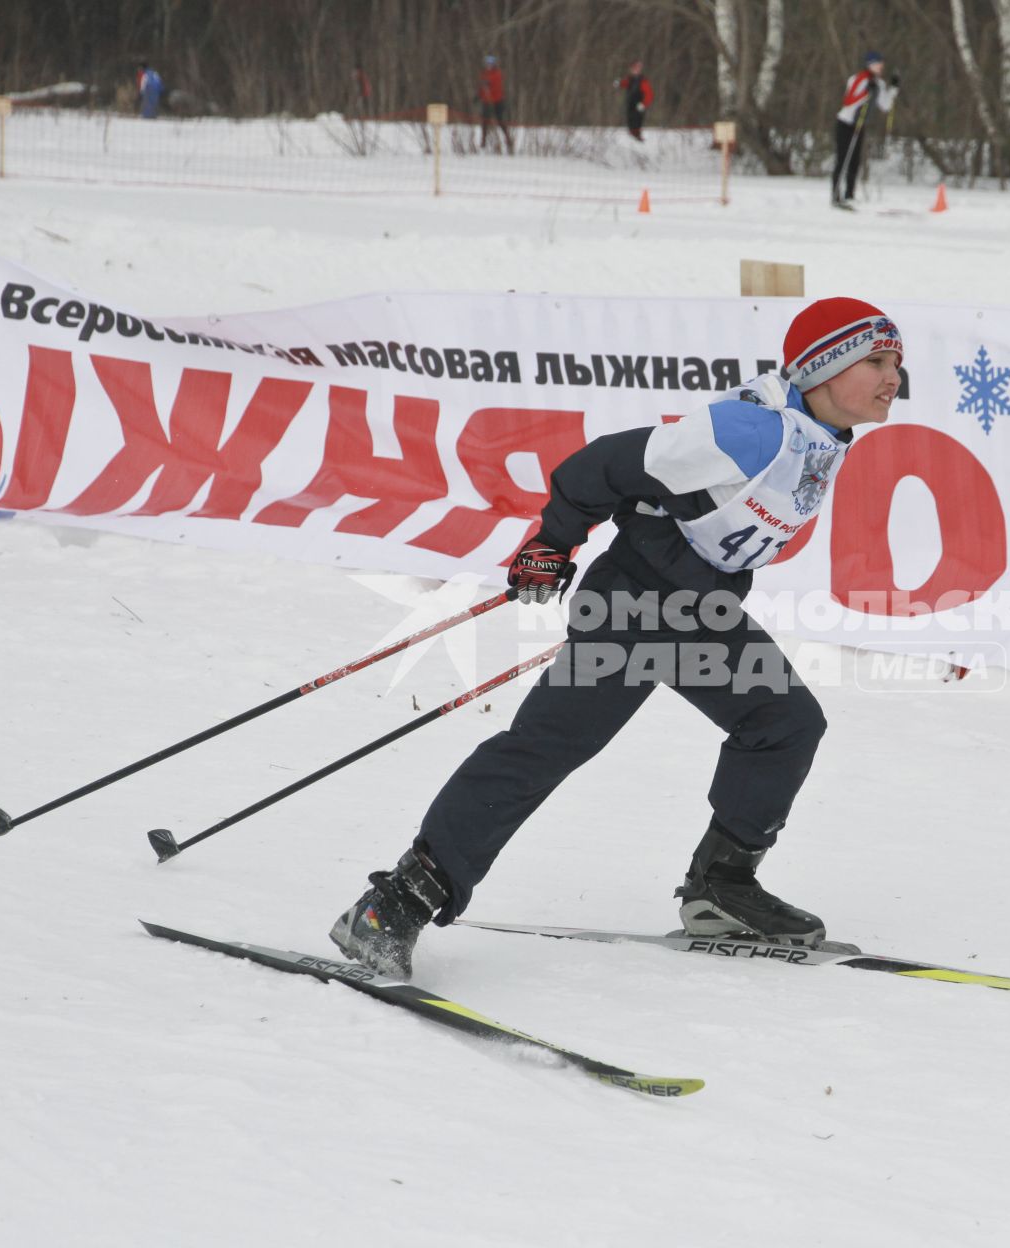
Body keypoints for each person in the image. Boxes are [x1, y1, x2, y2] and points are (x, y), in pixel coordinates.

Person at [330, 298, 907, 980]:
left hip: (698, 616)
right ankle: (395, 903)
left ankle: (721, 887)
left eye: (896, 363)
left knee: (782, 722)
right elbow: (605, 465)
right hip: (631, 610)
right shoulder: (751, 429)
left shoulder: (816, 433)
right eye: (875, 361)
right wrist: (552, 542)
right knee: (546, 747)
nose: (892, 376)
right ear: (824, 367)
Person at [830, 51, 899, 210]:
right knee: (843, 159)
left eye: (881, 63)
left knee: (855, 161)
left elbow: (885, 105)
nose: (881, 66)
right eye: (878, 63)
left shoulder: (879, 84)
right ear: (870, 65)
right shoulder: (857, 79)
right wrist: (866, 92)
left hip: (859, 125)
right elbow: (848, 101)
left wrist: (894, 89)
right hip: (845, 123)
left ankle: (849, 195)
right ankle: (835, 196)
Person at [476, 54, 512, 153]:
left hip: (497, 100)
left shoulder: (497, 73)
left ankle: (507, 139)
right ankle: (483, 141)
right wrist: (478, 95)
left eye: (491, 63)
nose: (489, 65)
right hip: (486, 101)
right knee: (484, 121)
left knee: (500, 120)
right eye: (487, 63)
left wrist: (489, 84)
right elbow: (482, 86)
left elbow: (496, 86)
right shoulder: (484, 73)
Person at [615, 60, 652, 142]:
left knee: (637, 119)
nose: (635, 71)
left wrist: (644, 104)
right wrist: (619, 83)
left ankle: (637, 135)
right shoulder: (630, 79)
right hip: (630, 102)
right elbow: (625, 83)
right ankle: (631, 134)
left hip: (639, 104)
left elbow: (649, 94)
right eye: (633, 69)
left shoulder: (642, 80)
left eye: (637, 69)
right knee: (630, 119)